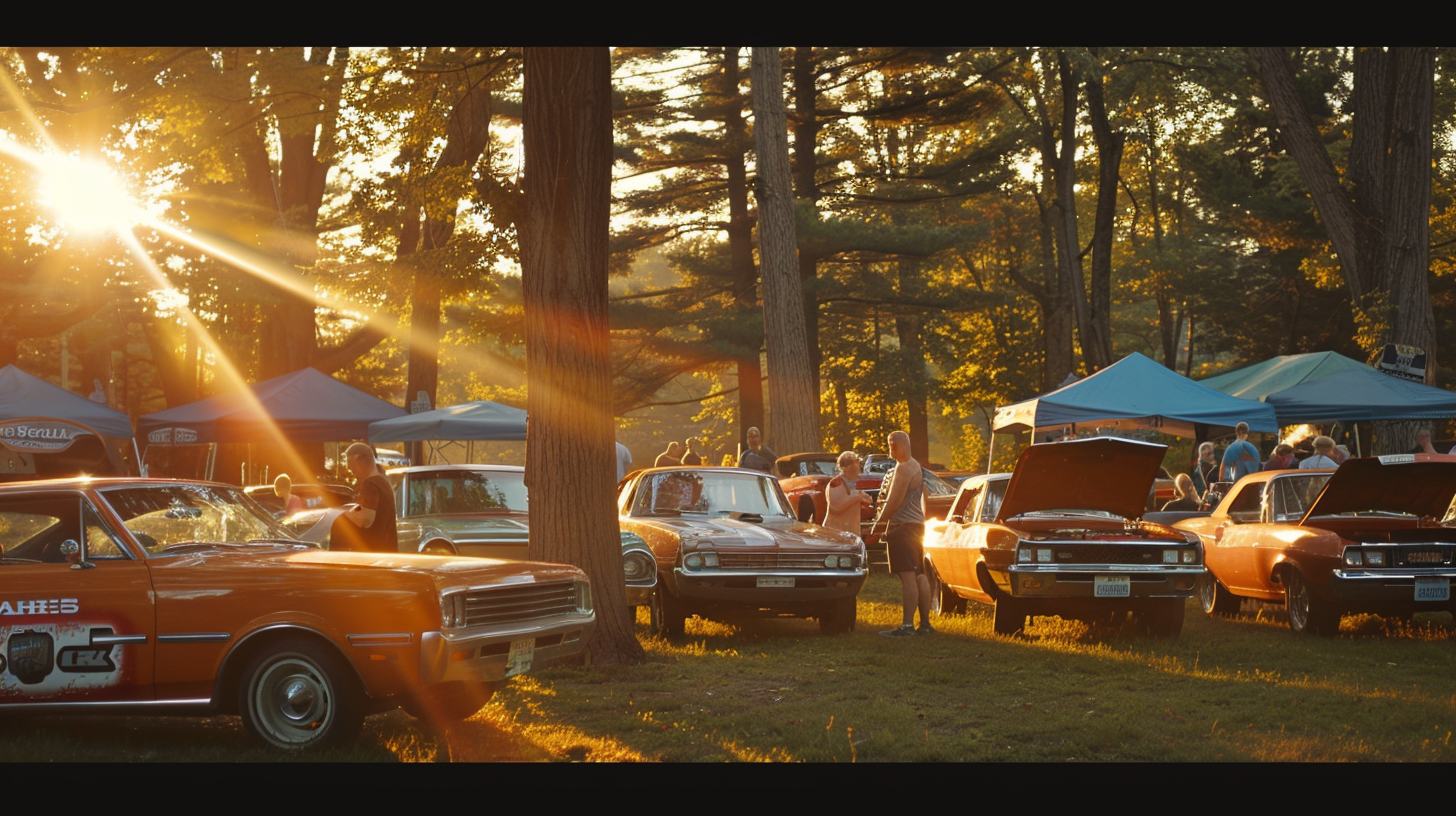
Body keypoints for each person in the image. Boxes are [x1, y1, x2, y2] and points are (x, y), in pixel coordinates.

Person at [875, 431, 933, 638]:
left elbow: (894, 501)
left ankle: (907, 626)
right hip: (917, 526)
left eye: (892, 445)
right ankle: (925, 624)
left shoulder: (902, 468)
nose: (890, 449)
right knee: (919, 574)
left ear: (900, 444)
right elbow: (925, 495)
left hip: (902, 527)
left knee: (907, 575)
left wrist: (880, 522)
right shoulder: (917, 466)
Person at [337, 442, 397, 553]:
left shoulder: (371, 485)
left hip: (372, 555)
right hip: (386, 553)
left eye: (350, 462)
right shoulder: (383, 481)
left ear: (362, 460)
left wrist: (339, 512)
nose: (348, 467)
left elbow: (365, 520)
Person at [823, 450, 871, 534]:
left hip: (852, 531)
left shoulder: (858, 481)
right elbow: (836, 507)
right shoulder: (835, 483)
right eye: (851, 463)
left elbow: (868, 500)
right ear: (843, 467)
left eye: (857, 461)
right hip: (835, 532)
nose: (856, 465)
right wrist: (857, 496)